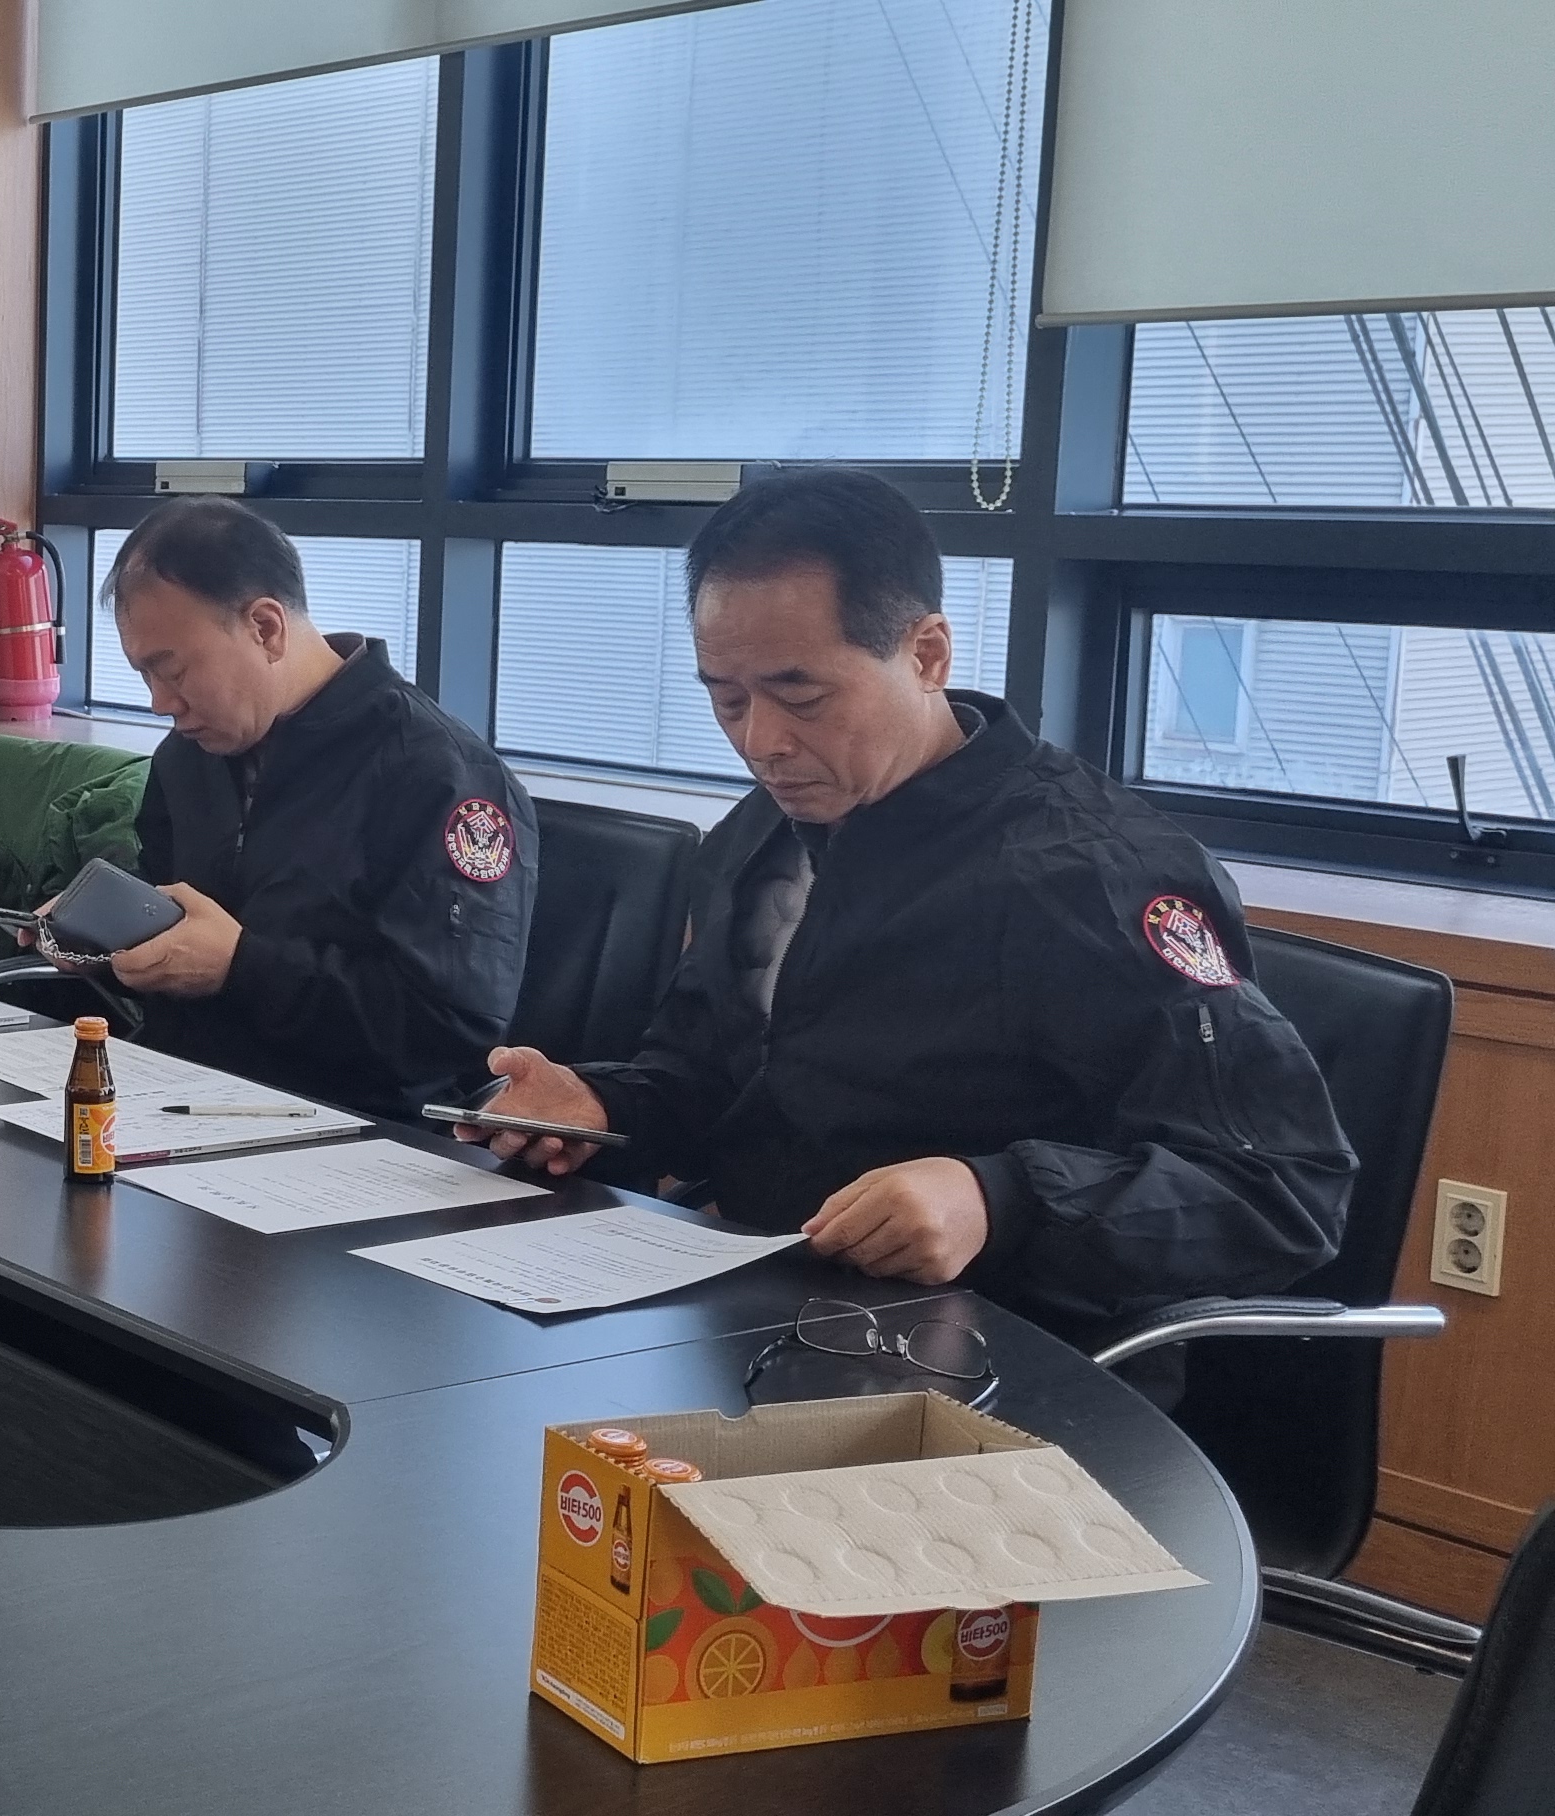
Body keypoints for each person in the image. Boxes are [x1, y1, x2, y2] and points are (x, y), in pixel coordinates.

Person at [460, 467, 1351, 1351]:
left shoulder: (1092, 876)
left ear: (926, 655)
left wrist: (995, 1199)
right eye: (727, 700)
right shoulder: (767, 828)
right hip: (762, 1310)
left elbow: (1284, 1190)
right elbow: (712, 1078)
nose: (762, 743)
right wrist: (600, 1103)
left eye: (802, 697)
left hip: (995, 1357)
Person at [70, 496, 533, 1116]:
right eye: (143, 676)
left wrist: (240, 967)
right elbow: (171, 920)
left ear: (266, 628)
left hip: (349, 1121)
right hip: (174, 1092)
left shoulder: (439, 774)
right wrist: (100, 939)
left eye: (172, 671)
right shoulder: (188, 757)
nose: (161, 703)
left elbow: (448, 1028)